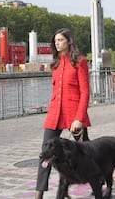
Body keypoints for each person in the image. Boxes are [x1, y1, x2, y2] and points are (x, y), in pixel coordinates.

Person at [35, 28, 91, 199]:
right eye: (55, 41)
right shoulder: (56, 63)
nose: (57, 43)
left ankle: (99, 179)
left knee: (86, 153)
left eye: (60, 40)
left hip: (74, 115)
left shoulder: (80, 62)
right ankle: (38, 194)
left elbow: (85, 92)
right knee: (46, 153)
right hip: (54, 115)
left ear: (68, 41)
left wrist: (79, 118)